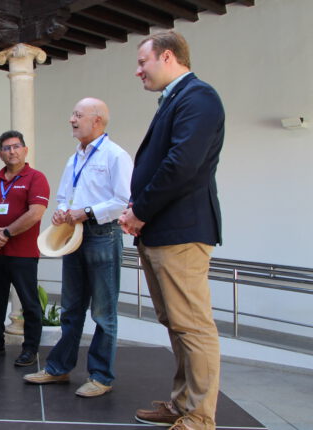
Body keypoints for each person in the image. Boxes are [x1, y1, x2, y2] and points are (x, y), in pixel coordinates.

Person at [119, 31, 224, 430]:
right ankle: (182, 404)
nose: (137, 70)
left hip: (179, 230)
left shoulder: (199, 97)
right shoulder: (178, 100)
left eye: (142, 62)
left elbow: (182, 164)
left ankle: (199, 416)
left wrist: (140, 212)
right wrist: (138, 211)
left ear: (167, 57)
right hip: (161, 230)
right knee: (177, 323)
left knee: (193, 326)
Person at [23, 98, 133, 398]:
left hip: (102, 234)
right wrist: (61, 211)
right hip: (73, 234)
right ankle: (59, 369)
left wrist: (85, 212)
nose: (71, 119)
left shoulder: (115, 155)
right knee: (71, 309)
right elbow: (63, 196)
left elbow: (123, 201)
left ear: (97, 120)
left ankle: (101, 376)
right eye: (72, 113)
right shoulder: (74, 158)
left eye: (78, 115)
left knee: (103, 312)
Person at [0, 130, 50, 367]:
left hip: (23, 254)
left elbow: (36, 212)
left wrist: (5, 233)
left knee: (29, 302)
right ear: (0, 154)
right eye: (6, 148)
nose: (12, 151)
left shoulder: (36, 178)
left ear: (25, 150)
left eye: (16, 146)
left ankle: (30, 349)